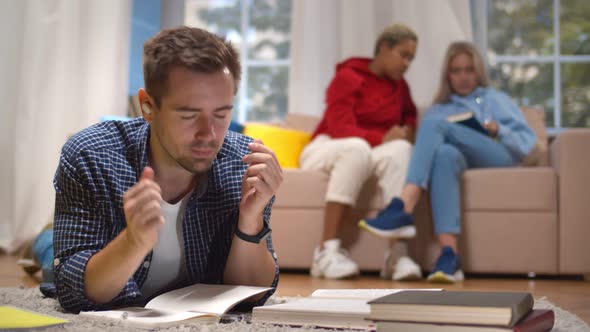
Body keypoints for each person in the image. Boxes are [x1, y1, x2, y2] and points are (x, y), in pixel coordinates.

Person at [52, 26, 283, 313]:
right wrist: (133, 243)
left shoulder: (244, 163)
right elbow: (73, 292)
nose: (208, 134)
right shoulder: (90, 154)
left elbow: (251, 297)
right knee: (48, 255)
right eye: (189, 115)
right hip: (95, 244)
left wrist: (251, 219)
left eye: (222, 114)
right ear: (148, 106)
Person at [359, 41, 537, 283]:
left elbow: (527, 143)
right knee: (443, 154)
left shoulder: (494, 99)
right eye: (456, 71)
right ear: (448, 75)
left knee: (434, 123)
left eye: (469, 70)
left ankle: (404, 205)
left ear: (478, 72)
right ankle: (450, 255)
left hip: (496, 154)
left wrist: (498, 130)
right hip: (458, 157)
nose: (463, 77)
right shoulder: (440, 108)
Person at [299, 24, 421, 280]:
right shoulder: (348, 76)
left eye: (411, 58)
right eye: (403, 55)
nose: (407, 63)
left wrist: (407, 131)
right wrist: (382, 137)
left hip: (368, 150)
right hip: (327, 145)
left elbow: (410, 114)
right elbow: (340, 127)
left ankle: (396, 255)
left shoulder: (400, 87)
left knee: (400, 149)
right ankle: (325, 252)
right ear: (384, 48)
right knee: (357, 148)